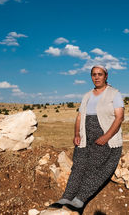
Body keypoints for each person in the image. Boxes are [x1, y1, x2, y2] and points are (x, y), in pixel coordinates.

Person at [50, 65, 124, 212]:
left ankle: (79, 200)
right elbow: (79, 117)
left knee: (94, 168)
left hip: (104, 139)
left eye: (100, 74)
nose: (96, 77)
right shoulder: (87, 96)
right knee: (78, 166)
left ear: (106, 76)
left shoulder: (114, 94)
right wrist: (77, 134)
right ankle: (66, 197)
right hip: (85, 138)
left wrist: (106, 137)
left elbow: (119, 117)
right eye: (93, 74)